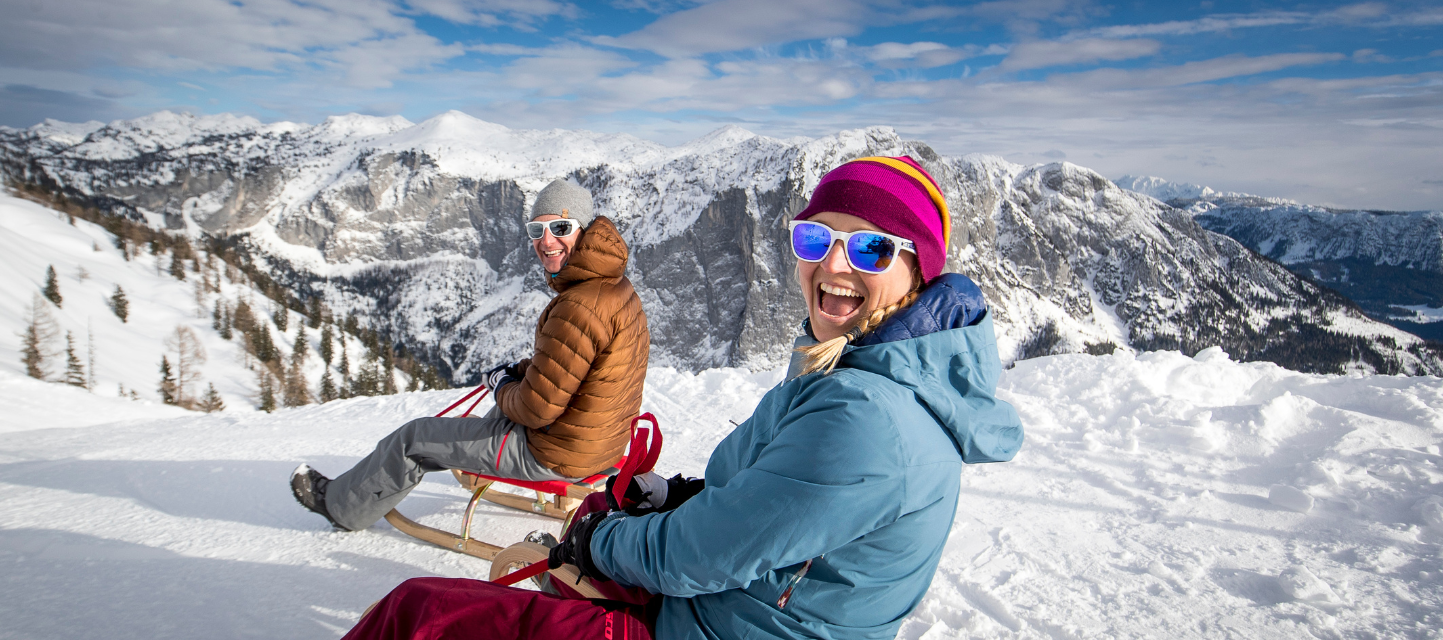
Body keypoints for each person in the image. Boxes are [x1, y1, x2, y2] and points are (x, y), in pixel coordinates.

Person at [340, 156, 1024, 640]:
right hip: (745, 608)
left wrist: (604, 541)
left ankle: (344, 503)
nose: (834, 264)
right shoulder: (872, 373)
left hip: (714, 623)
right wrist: (682, 495)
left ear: (918, 268)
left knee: (416, 612)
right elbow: (779, 505)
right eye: (816, 238)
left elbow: (696, 557)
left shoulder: (869, 418)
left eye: (872, 249)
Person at [290, 178, 651, 533]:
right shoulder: (614, 288)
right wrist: (520, 373)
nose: (546, 241)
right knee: (492, 417)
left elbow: (536, 409)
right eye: (536, 230)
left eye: (560, 227)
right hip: (601, 443)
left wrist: (501, 386)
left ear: (584, 229)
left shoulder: (579, 306)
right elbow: (575, 367)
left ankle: (341, 507)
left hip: (558, 453)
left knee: (413, 438)